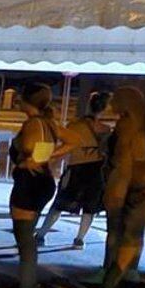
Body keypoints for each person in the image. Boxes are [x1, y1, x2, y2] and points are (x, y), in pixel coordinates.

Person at [89, 87, 145, 288]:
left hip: (118, 183)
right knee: (130, 238)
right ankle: (119, 279)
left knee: (115, 233)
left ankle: (109, 279)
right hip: (131, 186)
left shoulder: (124, 126)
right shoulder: (139, 128)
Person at [0, 82, 66, 288]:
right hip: (41, 182)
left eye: (20, 97)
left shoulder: (34, 124)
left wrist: (31, 160)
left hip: (30, 183)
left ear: (27, 101)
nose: (17, 100)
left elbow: (30, 147)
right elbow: (74, 140)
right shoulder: (48, 123)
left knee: (24, 238)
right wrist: (46, 157)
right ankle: (28, 283)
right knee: (26, 236)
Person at [39, 91, 112, 248]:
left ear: (88, 105)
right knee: (89, 208)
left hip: (75, 169)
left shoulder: (74, 126)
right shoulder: (105, 129)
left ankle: (41, 235)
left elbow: (65, 150)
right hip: (95, 170)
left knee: (60, 204)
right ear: (104, 108)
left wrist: (51, 166)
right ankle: (79, 239)